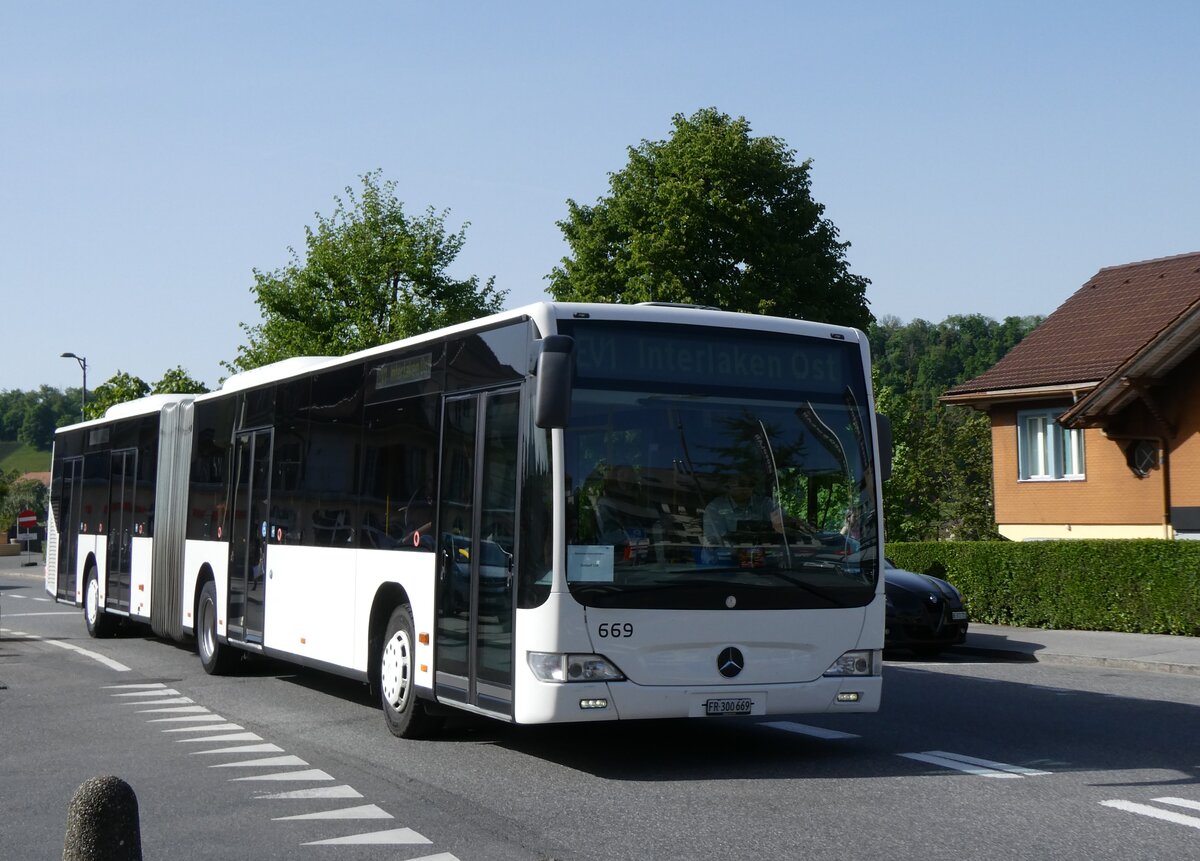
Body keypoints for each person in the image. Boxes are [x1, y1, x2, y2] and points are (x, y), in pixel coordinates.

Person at [703, 474, 782, 547]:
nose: (746, 488)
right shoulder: (715, 508)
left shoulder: (764, 503)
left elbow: (783, 523)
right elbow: (716, 541)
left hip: (761, 555)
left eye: (751, 484)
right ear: (729, 485)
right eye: (742, 484)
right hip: (723, 557)